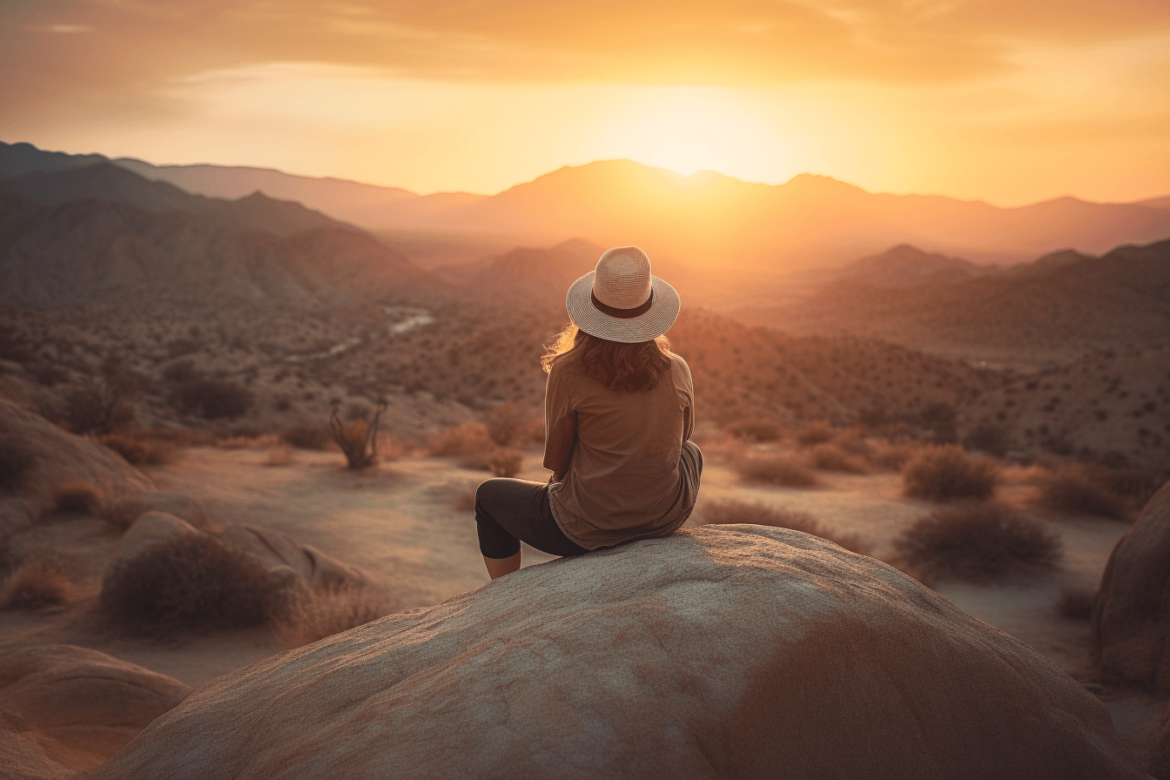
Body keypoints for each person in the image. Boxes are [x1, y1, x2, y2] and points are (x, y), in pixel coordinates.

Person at [474, 246, 703, 580]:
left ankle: (504, 593)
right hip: (663, 517)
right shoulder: (678, 368)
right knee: (692, 452)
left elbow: (557, 460)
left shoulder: (567, 371)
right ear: (649, 311)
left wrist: (575, 492)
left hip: (585, 529)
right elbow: (683, 437)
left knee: (487, 497)